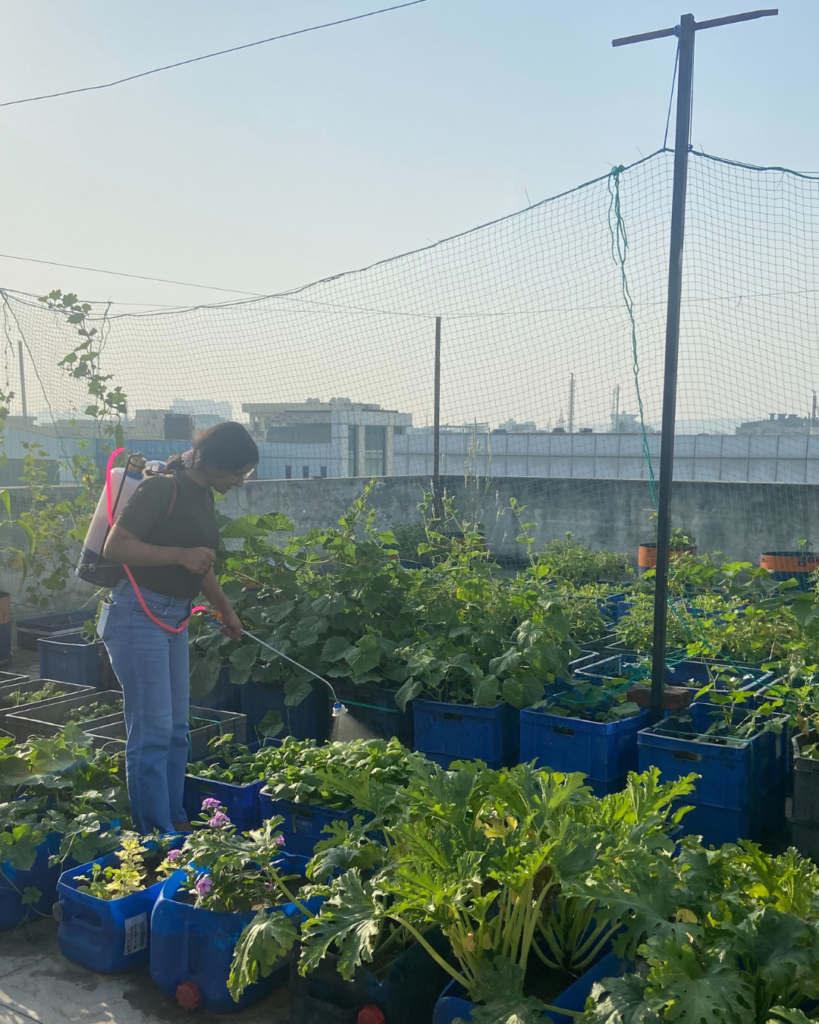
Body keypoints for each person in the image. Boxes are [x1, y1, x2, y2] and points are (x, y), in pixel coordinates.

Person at [98, 421, 258, 834]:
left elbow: (199, 563)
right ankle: (155, 832)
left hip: (175, 616)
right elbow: (115, 546)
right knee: (150, 731)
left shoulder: (203, 496)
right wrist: (179, 556)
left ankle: (175, 820)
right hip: (138, 615)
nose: (239, 483)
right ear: (216, 464)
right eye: (237, 474)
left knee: (173, 728)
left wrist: (226, 610)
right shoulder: (161, 489)